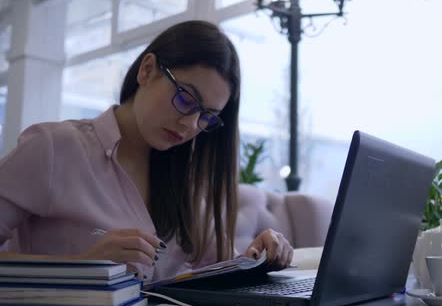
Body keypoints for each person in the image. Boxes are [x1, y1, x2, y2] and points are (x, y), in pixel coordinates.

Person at [0, 20, 293, 281]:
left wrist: (257, 257)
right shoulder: (54, 147)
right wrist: (81, 267)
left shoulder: (184, 179)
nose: (190, 124)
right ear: (147, 70)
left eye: (206, 116)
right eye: (186, 98)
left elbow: (216, 267)